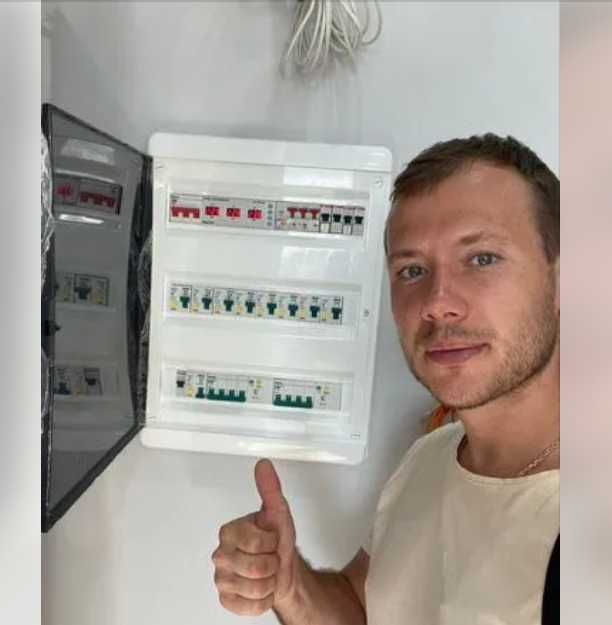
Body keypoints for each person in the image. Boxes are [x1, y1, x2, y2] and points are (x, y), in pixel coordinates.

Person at [211, 134, 560, 624]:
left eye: (482, 258)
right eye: (412, 270)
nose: (437, 302)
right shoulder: (430, 456)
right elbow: (365, 610)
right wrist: (292, 588)